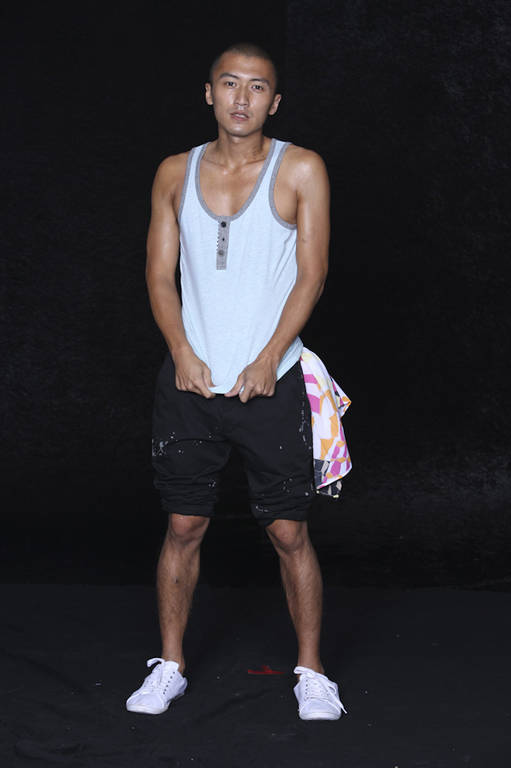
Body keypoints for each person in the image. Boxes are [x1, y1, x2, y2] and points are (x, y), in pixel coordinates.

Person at [126, 42, 347, 721]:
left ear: (274, 102)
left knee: (288, 532)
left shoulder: (301, 168)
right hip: (190, 382)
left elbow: (312, 273)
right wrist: (181, 351)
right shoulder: (174, 171)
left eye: (256, 87)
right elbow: (158, 275)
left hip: (271, 381)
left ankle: (312, 673)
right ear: (209, 93)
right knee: (184, 523)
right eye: (229, 84)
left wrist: (268, 357)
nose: (241, 98)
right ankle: (170, 666)